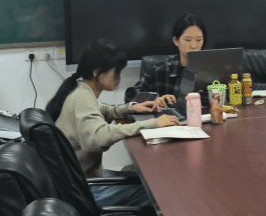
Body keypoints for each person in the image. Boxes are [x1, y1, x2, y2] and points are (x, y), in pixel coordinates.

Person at [46, 39, 179, 206]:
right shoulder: (82, 97)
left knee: (148, 180)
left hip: (79, 181)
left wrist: (131, 108)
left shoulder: (78, 88)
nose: (120, 76)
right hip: (85, 190)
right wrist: (152, 124)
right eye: (116, 70)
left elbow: (101, 110)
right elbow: (98, 137)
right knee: (157, 190)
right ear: (97, 72)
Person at [124, 14, 207, 108]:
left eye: (199, 40)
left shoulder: (210, 69)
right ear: (176, 41)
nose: (194, 46)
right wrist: (154, 99)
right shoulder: (161, 70)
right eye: (188, 40)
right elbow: (130, 96)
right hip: (169, 117)